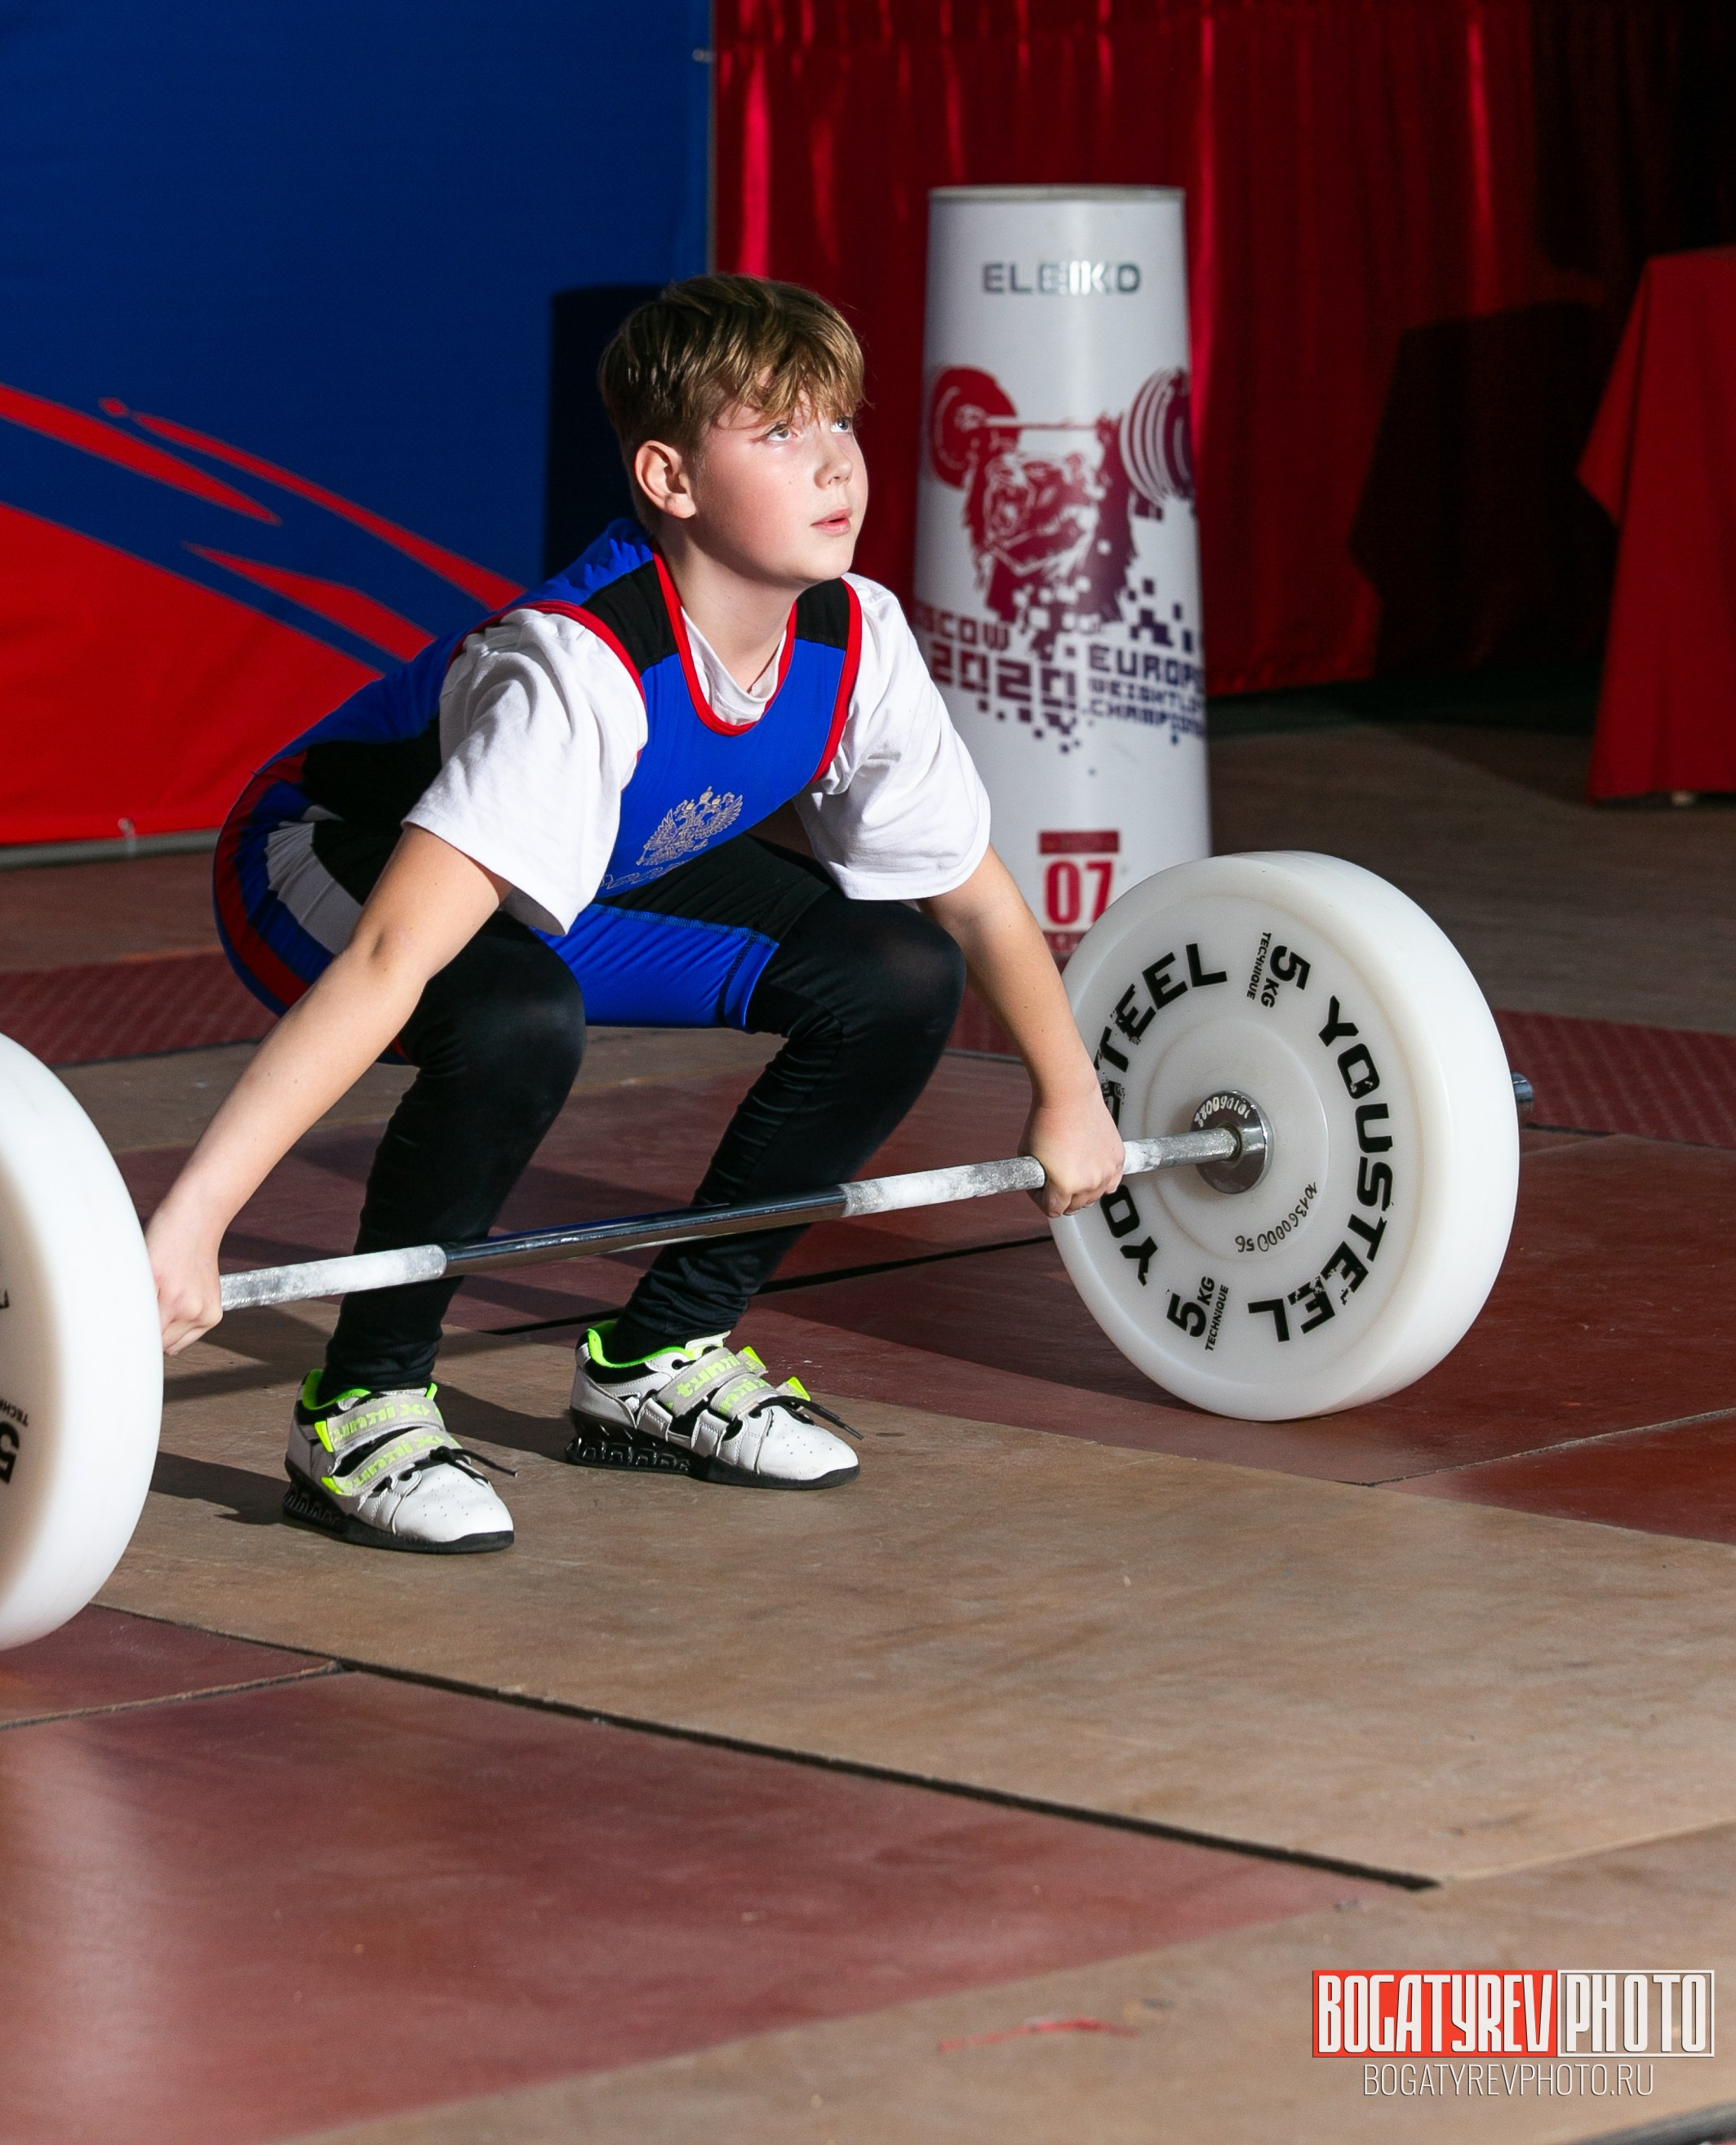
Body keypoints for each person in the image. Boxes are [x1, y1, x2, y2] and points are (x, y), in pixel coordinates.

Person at [146, 275, 1125, 1556]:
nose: (833, 461)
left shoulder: (858, 642)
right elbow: (393, 954)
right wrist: (194, 1220)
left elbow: (976, 898)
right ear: (669, 477)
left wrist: (1071, 1093)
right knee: (512, 1016)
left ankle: (660, 1358)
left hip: (583, 867)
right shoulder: (580, 672)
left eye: (839, 422)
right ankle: (361, 1408)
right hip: (323, 860)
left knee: (894, 973)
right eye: (776, 434)